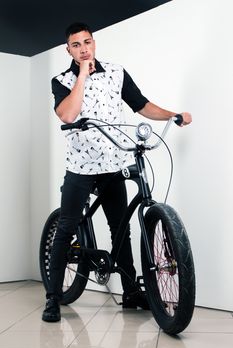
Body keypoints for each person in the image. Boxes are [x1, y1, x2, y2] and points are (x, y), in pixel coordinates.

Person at [42, 22, 192, 322]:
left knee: (120, 229)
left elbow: (141, 105)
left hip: (113, 162)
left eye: (87, 42)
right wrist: (82, 75)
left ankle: (131, 292)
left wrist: (172, 113)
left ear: (94, 42)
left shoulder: (116, 73)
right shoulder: (61, 81)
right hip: (81, 166)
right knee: (67, 228)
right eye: (76, 45)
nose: (84, 48)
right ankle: (54, 298)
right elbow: (68, 114)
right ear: (68, 50)